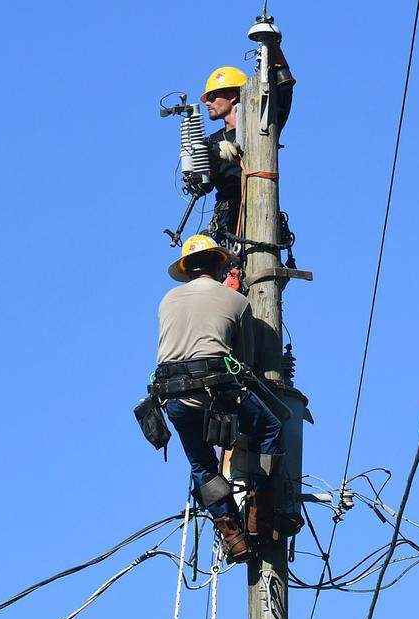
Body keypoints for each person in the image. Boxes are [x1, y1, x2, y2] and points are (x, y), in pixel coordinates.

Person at [149, 235, 283, 562]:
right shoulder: (236, 301)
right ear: (221, 265)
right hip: (218, 389)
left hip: (174, 396)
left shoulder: (167, 300)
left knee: (201, 463)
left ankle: (231, 532)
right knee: (270, 427)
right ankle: (257, 508)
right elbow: (247, 362)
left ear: (187, 270)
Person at [201, 52, 294, 244]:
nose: (207, 103)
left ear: (233, 96)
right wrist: (213, 155)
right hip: (228, 221)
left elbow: (285, 92)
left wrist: (273, 47)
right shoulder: (212, 142)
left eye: (211, 96)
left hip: (262, 214)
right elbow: (203, 185)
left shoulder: (263, 129)